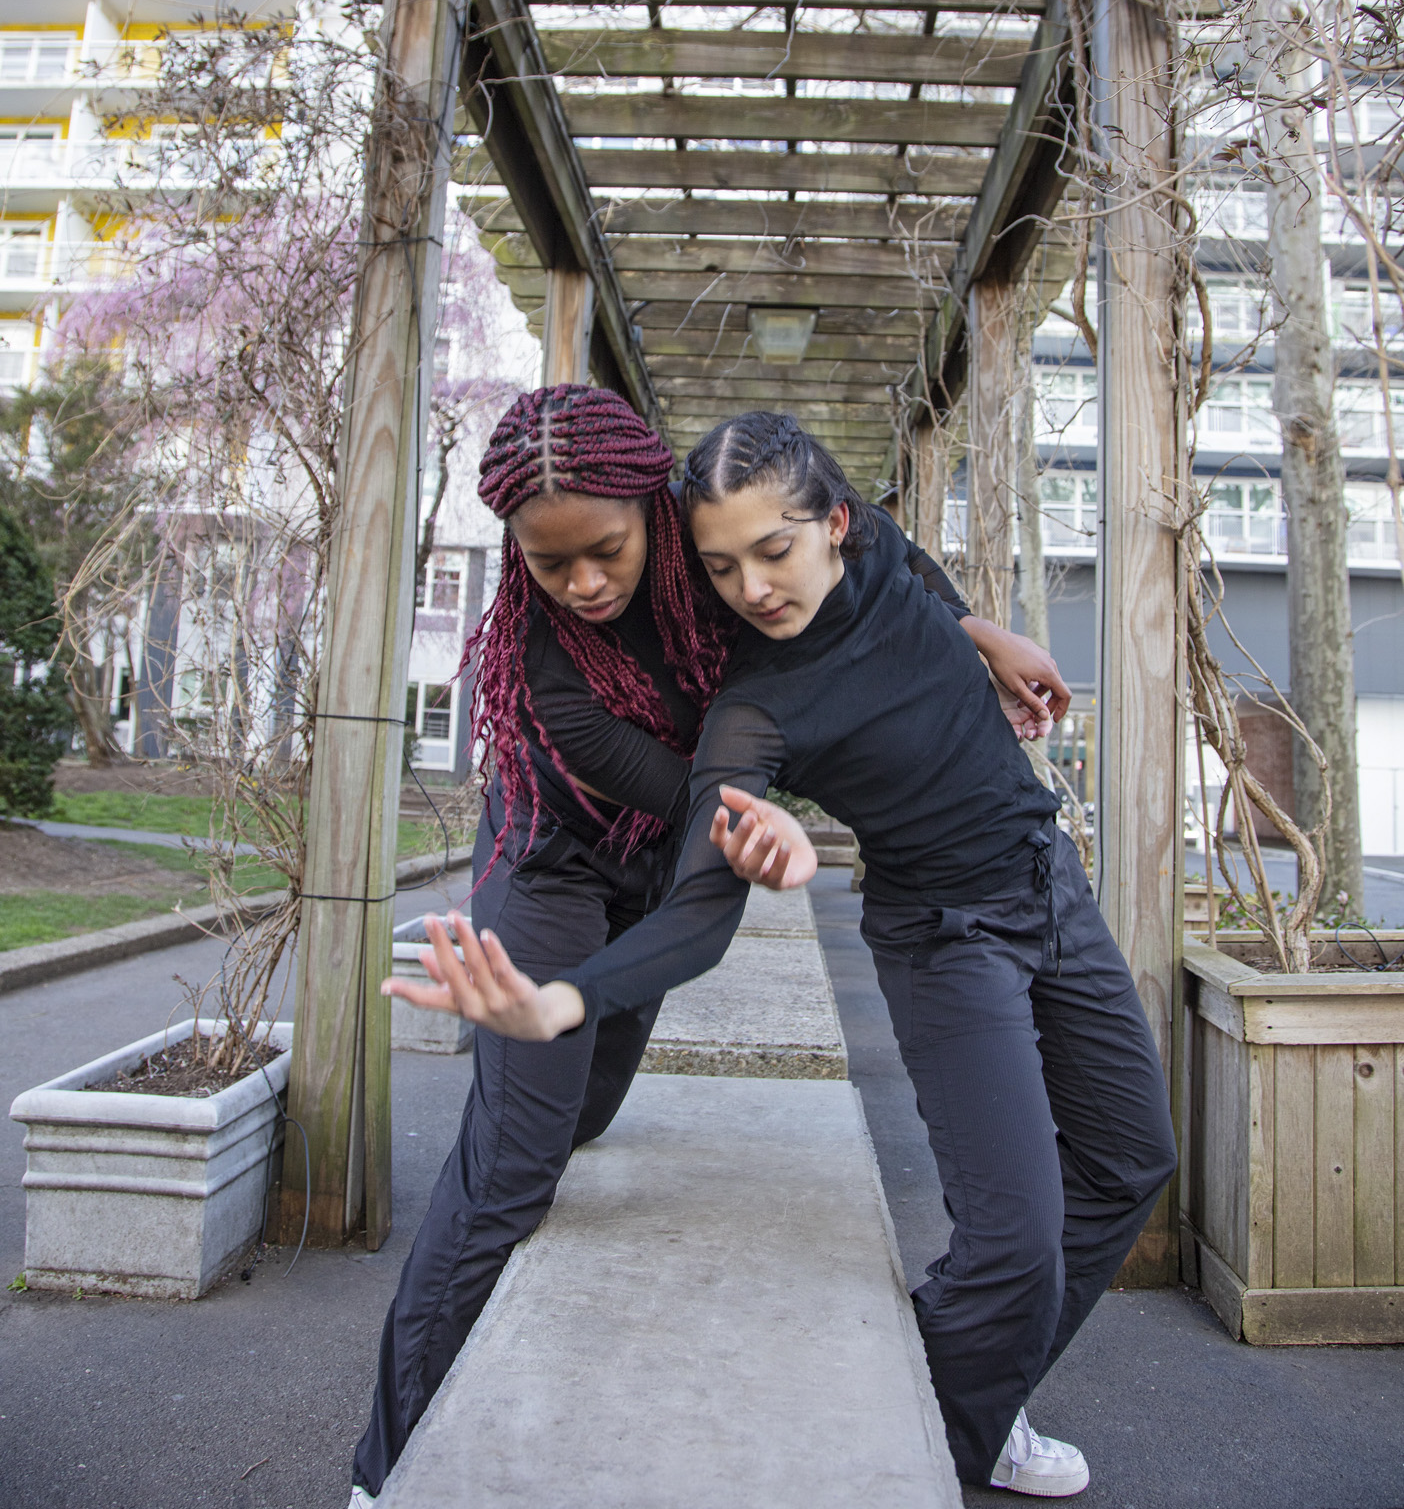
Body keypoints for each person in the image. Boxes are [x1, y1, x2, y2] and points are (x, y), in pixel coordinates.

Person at [393, 412, 1176, 1502]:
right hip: (825, 913)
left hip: (1043, 879)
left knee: (1134, 1160)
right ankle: (929, 1448)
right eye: (722, 567)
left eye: (774, 552)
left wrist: (980, 629)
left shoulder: (842, 538)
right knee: (526, 1153)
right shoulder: (723, 699)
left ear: (829, 523)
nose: (753, 586)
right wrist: (568, 995)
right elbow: (702, 871)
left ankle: (979, 1398)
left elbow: (902, 556)